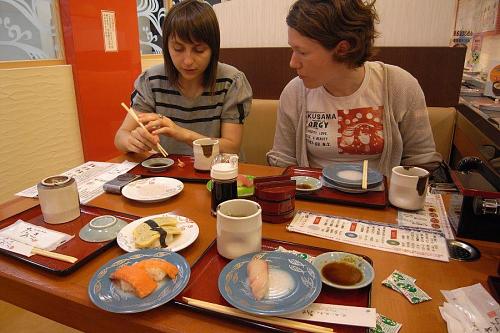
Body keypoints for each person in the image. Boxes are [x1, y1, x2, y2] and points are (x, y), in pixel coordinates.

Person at [266, 0, 441, 176]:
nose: (292, 62)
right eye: (292, 49)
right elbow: (283, 162)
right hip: (315, 199)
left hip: (380, 199)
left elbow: (422, 162)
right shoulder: (295, 92)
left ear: (342, 49)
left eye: (302, 52)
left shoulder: (399, 85)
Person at [115, 0, 252, 156]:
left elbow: (231, 146)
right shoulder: (151, 81)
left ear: (213, 49)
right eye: (178, 48)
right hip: (169, 174)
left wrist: (181, 133)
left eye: (199, 50)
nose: (188, 61)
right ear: (166, 46)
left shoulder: (231, 82)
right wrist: (132, 141)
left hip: (216, 172)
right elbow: (121, 136)